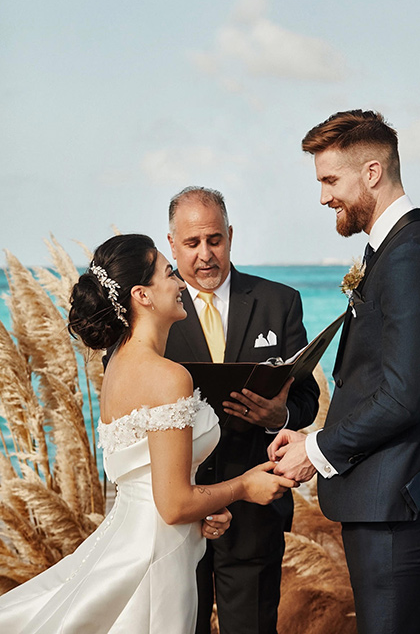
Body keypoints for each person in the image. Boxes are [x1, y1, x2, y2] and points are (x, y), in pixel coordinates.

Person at [0, 234, 296, 634]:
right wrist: (243, 486)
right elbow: (173, 503)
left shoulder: (118, 366)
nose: (178, 284)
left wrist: (203, 509)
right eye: (168, 273)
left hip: (130, 538)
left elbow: (149, 483)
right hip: (156, 557)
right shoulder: (167, 377)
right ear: (142, 294)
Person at [268, 109, 420, 634]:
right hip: (383, 497)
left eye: (331, 180)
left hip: (394, 501)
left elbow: (404, 397)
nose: (323, 197)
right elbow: (378, 384)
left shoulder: (412, 257)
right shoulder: (393, 251)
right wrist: (312, 433)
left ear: (372, 173)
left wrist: (316, 452)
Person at [165, 187, 320, 634]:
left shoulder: (280, 301)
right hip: (176, 515)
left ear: (230, 235)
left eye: (214, 239)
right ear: (172, 244)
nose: (205, 254)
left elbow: (305, 397)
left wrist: (281, 417)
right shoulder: (151, 311)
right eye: (192, 244)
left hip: (256, 513)